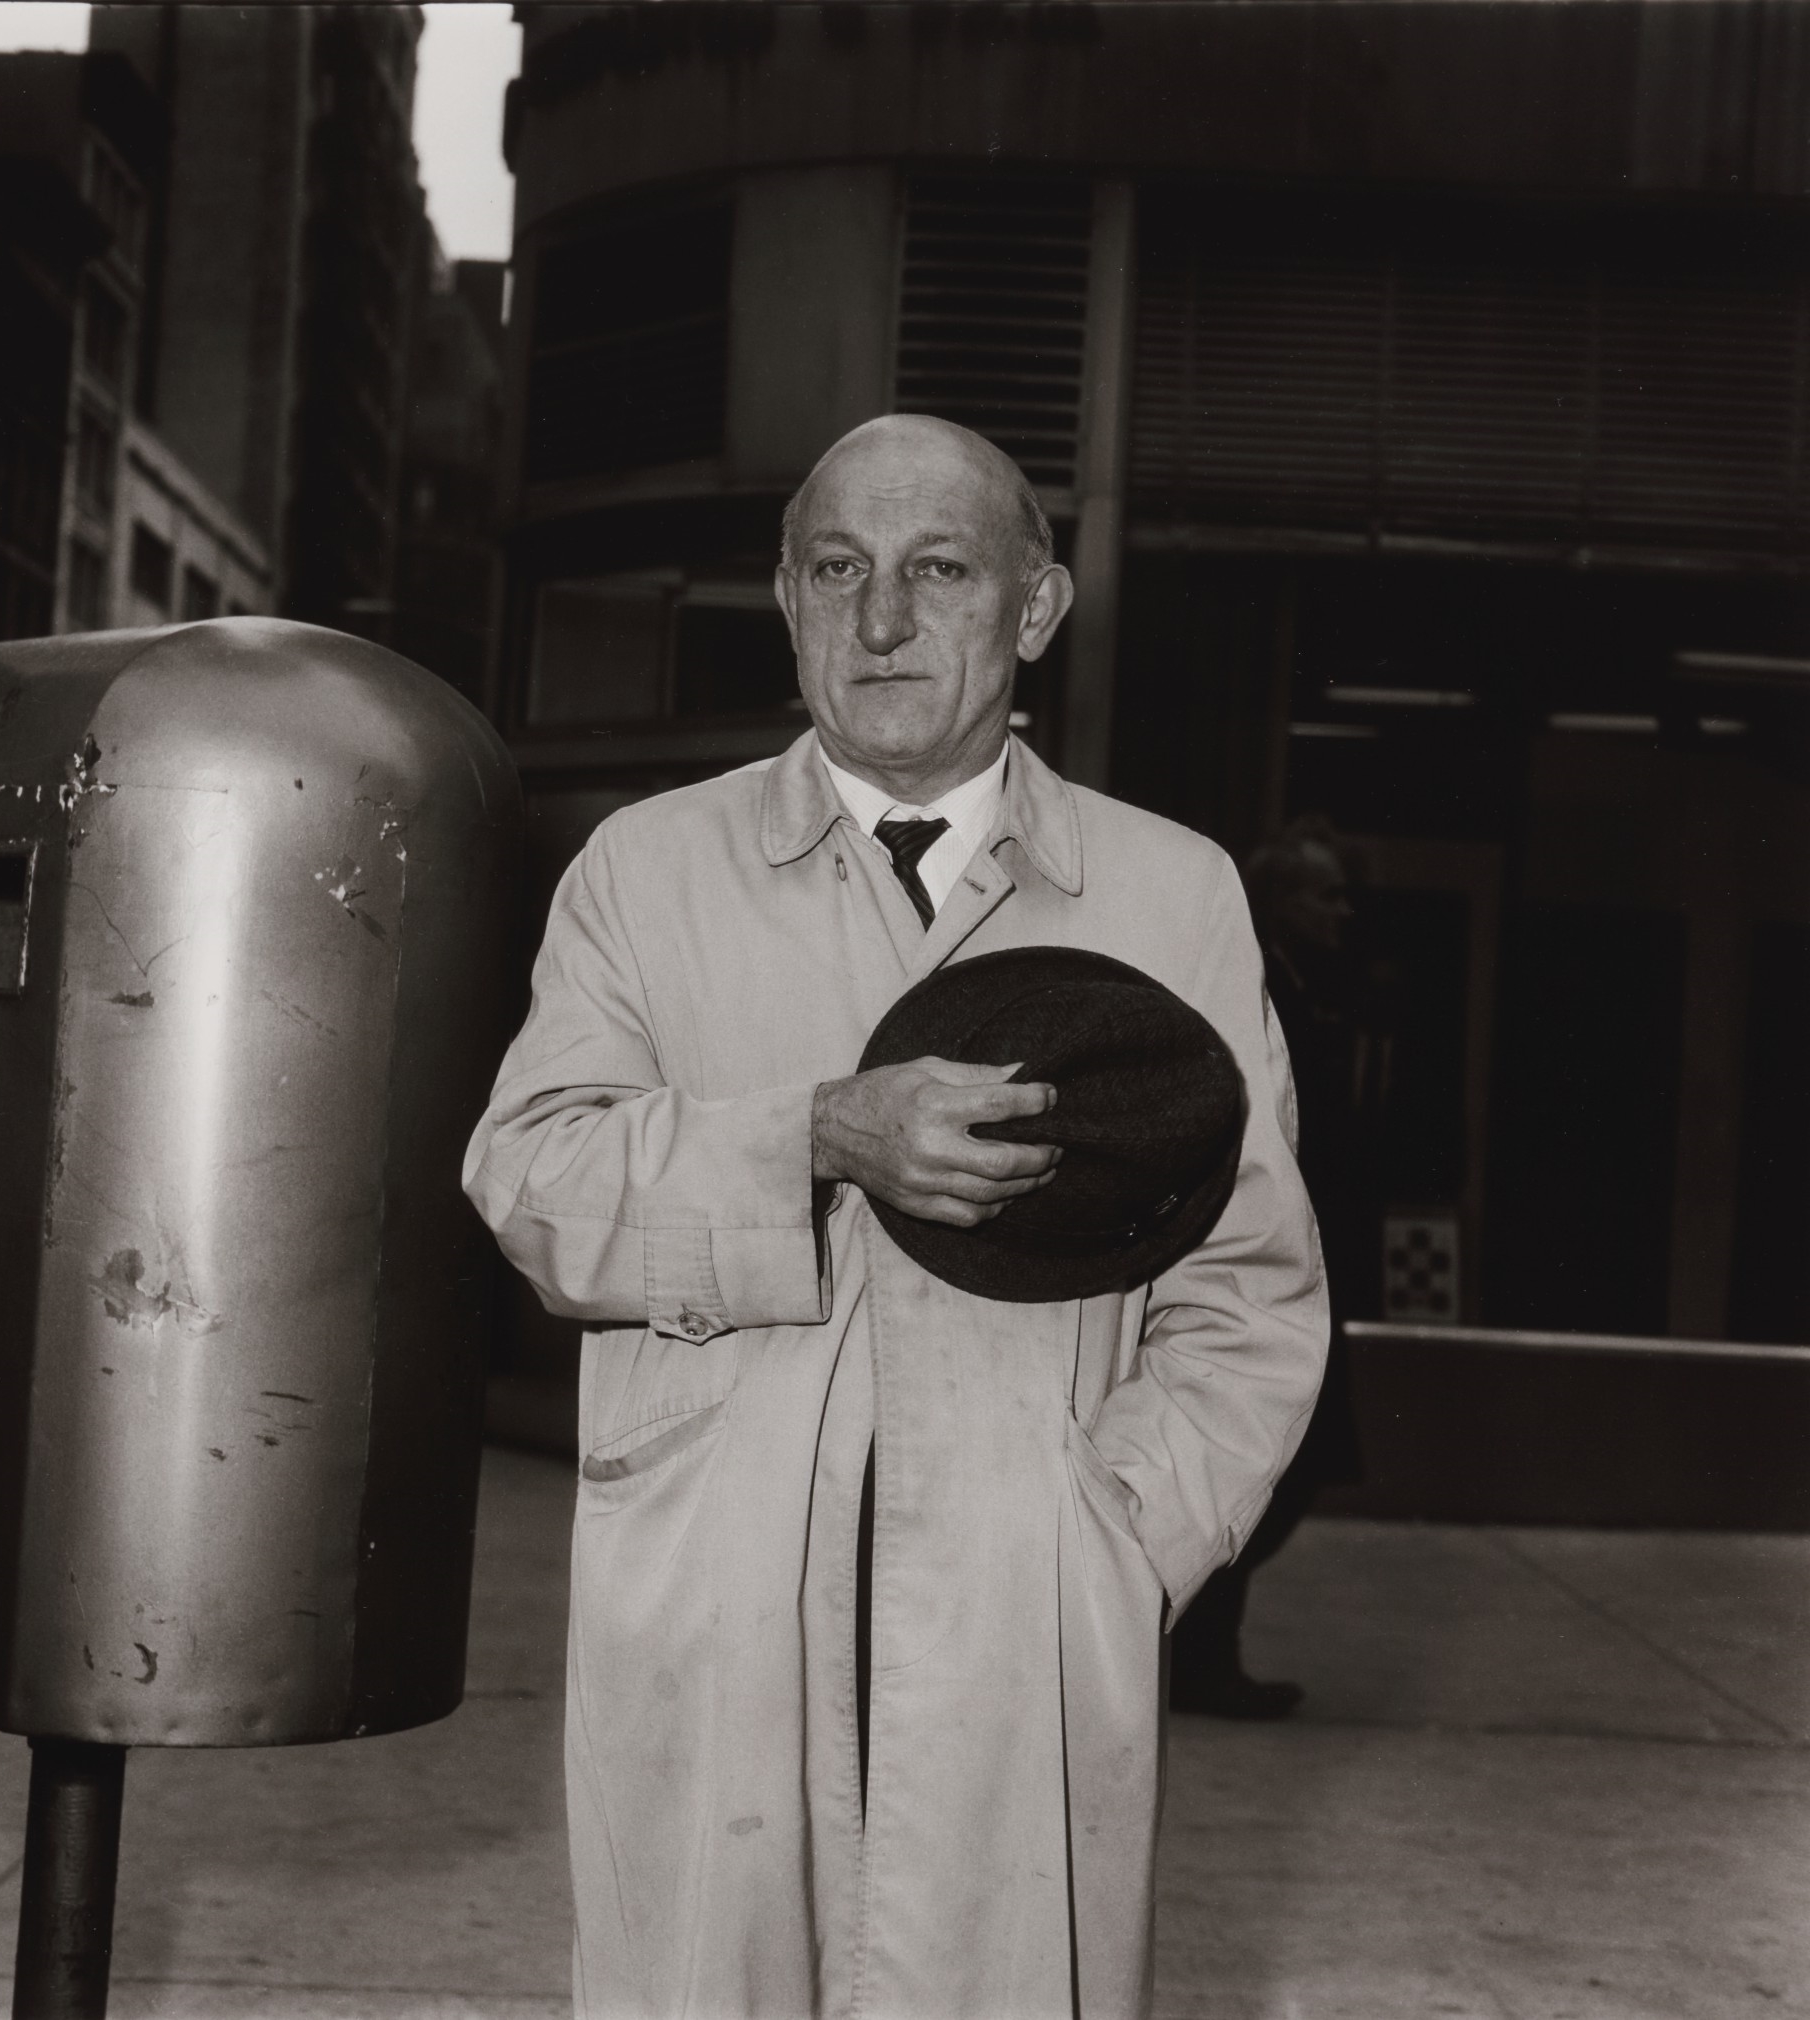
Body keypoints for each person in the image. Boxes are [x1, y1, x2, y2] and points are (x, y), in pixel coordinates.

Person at [464, 415, 1327, 2019]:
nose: (882, 621)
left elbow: (1251, 1291)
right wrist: (813, 1137)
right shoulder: (643, 875)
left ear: (1037, 611)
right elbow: (530, 1183)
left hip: (1029, 1608)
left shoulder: (1171, 894)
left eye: (940, 570)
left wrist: (1119, 1539)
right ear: (786, 600)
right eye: (838, 572)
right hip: (715, 1600)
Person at [1167, 818, 1368, 1719]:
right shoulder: (1258, 989)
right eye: (1323, 893)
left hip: (1309, 1254)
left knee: (1295, 1466)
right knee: (1266, 1462)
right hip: (1260, 1256)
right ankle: (1200, 1657)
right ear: (1275, 901)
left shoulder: (1315, 988)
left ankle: (1199, 1652)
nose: (1343, 911)